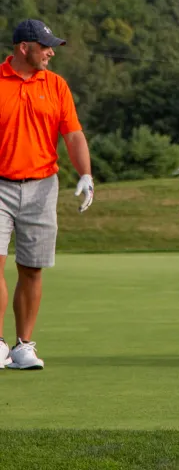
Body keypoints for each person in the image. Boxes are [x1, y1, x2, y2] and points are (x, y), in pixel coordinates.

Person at [0, 19, 94, 371]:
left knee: (32, 269)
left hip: (42, 186)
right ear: (24, 48)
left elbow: (72, 135)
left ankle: (24, 345)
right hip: (0, 184)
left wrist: (85, 173)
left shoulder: (56, 85)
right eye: (45, 46)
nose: (51, 52)